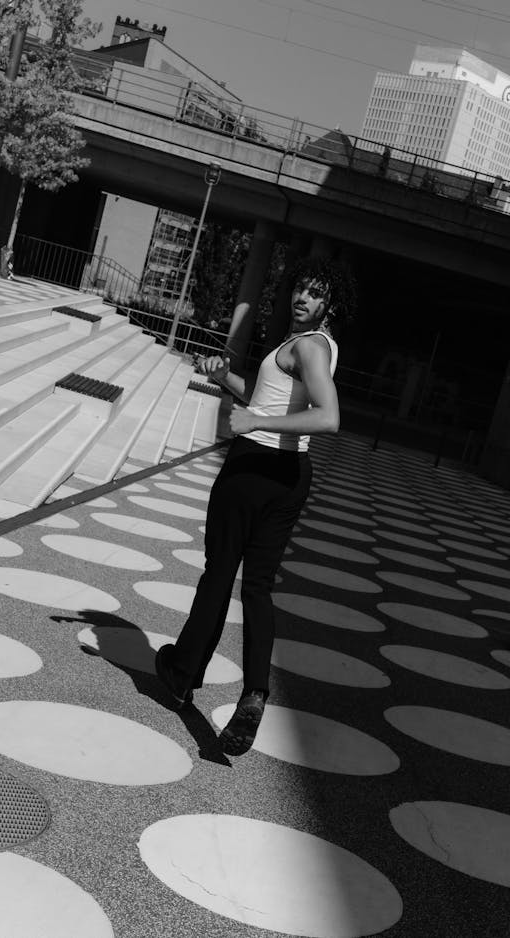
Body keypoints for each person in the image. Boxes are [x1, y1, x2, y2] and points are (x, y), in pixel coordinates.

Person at [155, 256, 356, 756]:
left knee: (220, 572)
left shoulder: (308, 345)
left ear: (330, 304)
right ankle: (255, 692)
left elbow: (328, 417)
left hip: (254, 469)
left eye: (315, 292)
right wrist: (226, 377)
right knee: (259, 588)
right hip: (290, 478)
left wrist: (254, 426)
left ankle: (182, 674)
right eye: (300, 288)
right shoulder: (310, 347)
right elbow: (267, 400)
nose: (302, 297)